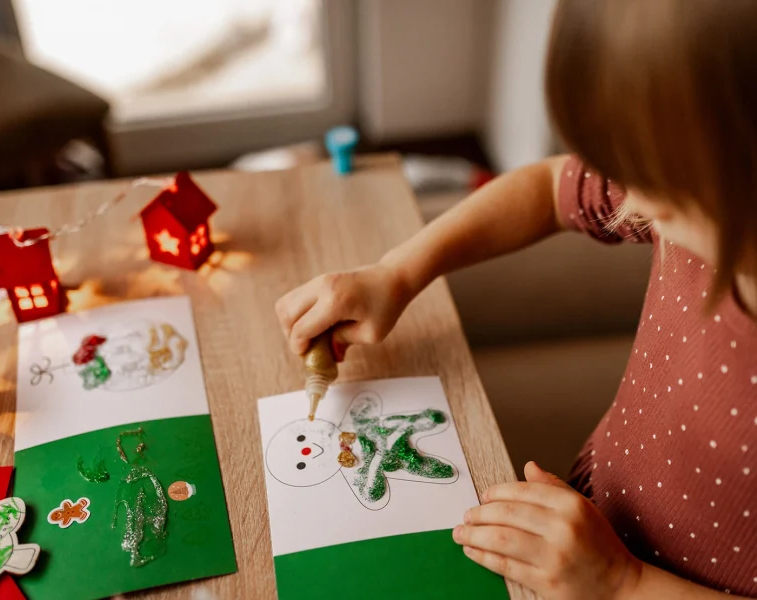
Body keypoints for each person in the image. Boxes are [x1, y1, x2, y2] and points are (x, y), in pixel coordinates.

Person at [275, 0, 757, 597]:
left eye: (655, 184)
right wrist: (395, 274)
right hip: (587, 531)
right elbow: (547, 186)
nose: (627, 201)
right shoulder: (687, 184)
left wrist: (622, 584)